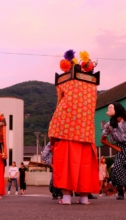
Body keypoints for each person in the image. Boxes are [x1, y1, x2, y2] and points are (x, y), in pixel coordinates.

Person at [48, 50, 100, 205]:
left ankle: (66, 197)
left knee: (65, 164)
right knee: (85, 165)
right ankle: (84, 197)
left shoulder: (65, 81)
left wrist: (52, 134)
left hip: (66, 129)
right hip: (85, 131)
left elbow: (60, 104)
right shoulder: (91, 84)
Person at [101, 102, 126, 200]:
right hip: (120, 148)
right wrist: (115, 147)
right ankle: (120, 191)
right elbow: (102, 140)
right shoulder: (109, 125)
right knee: (117, 170)